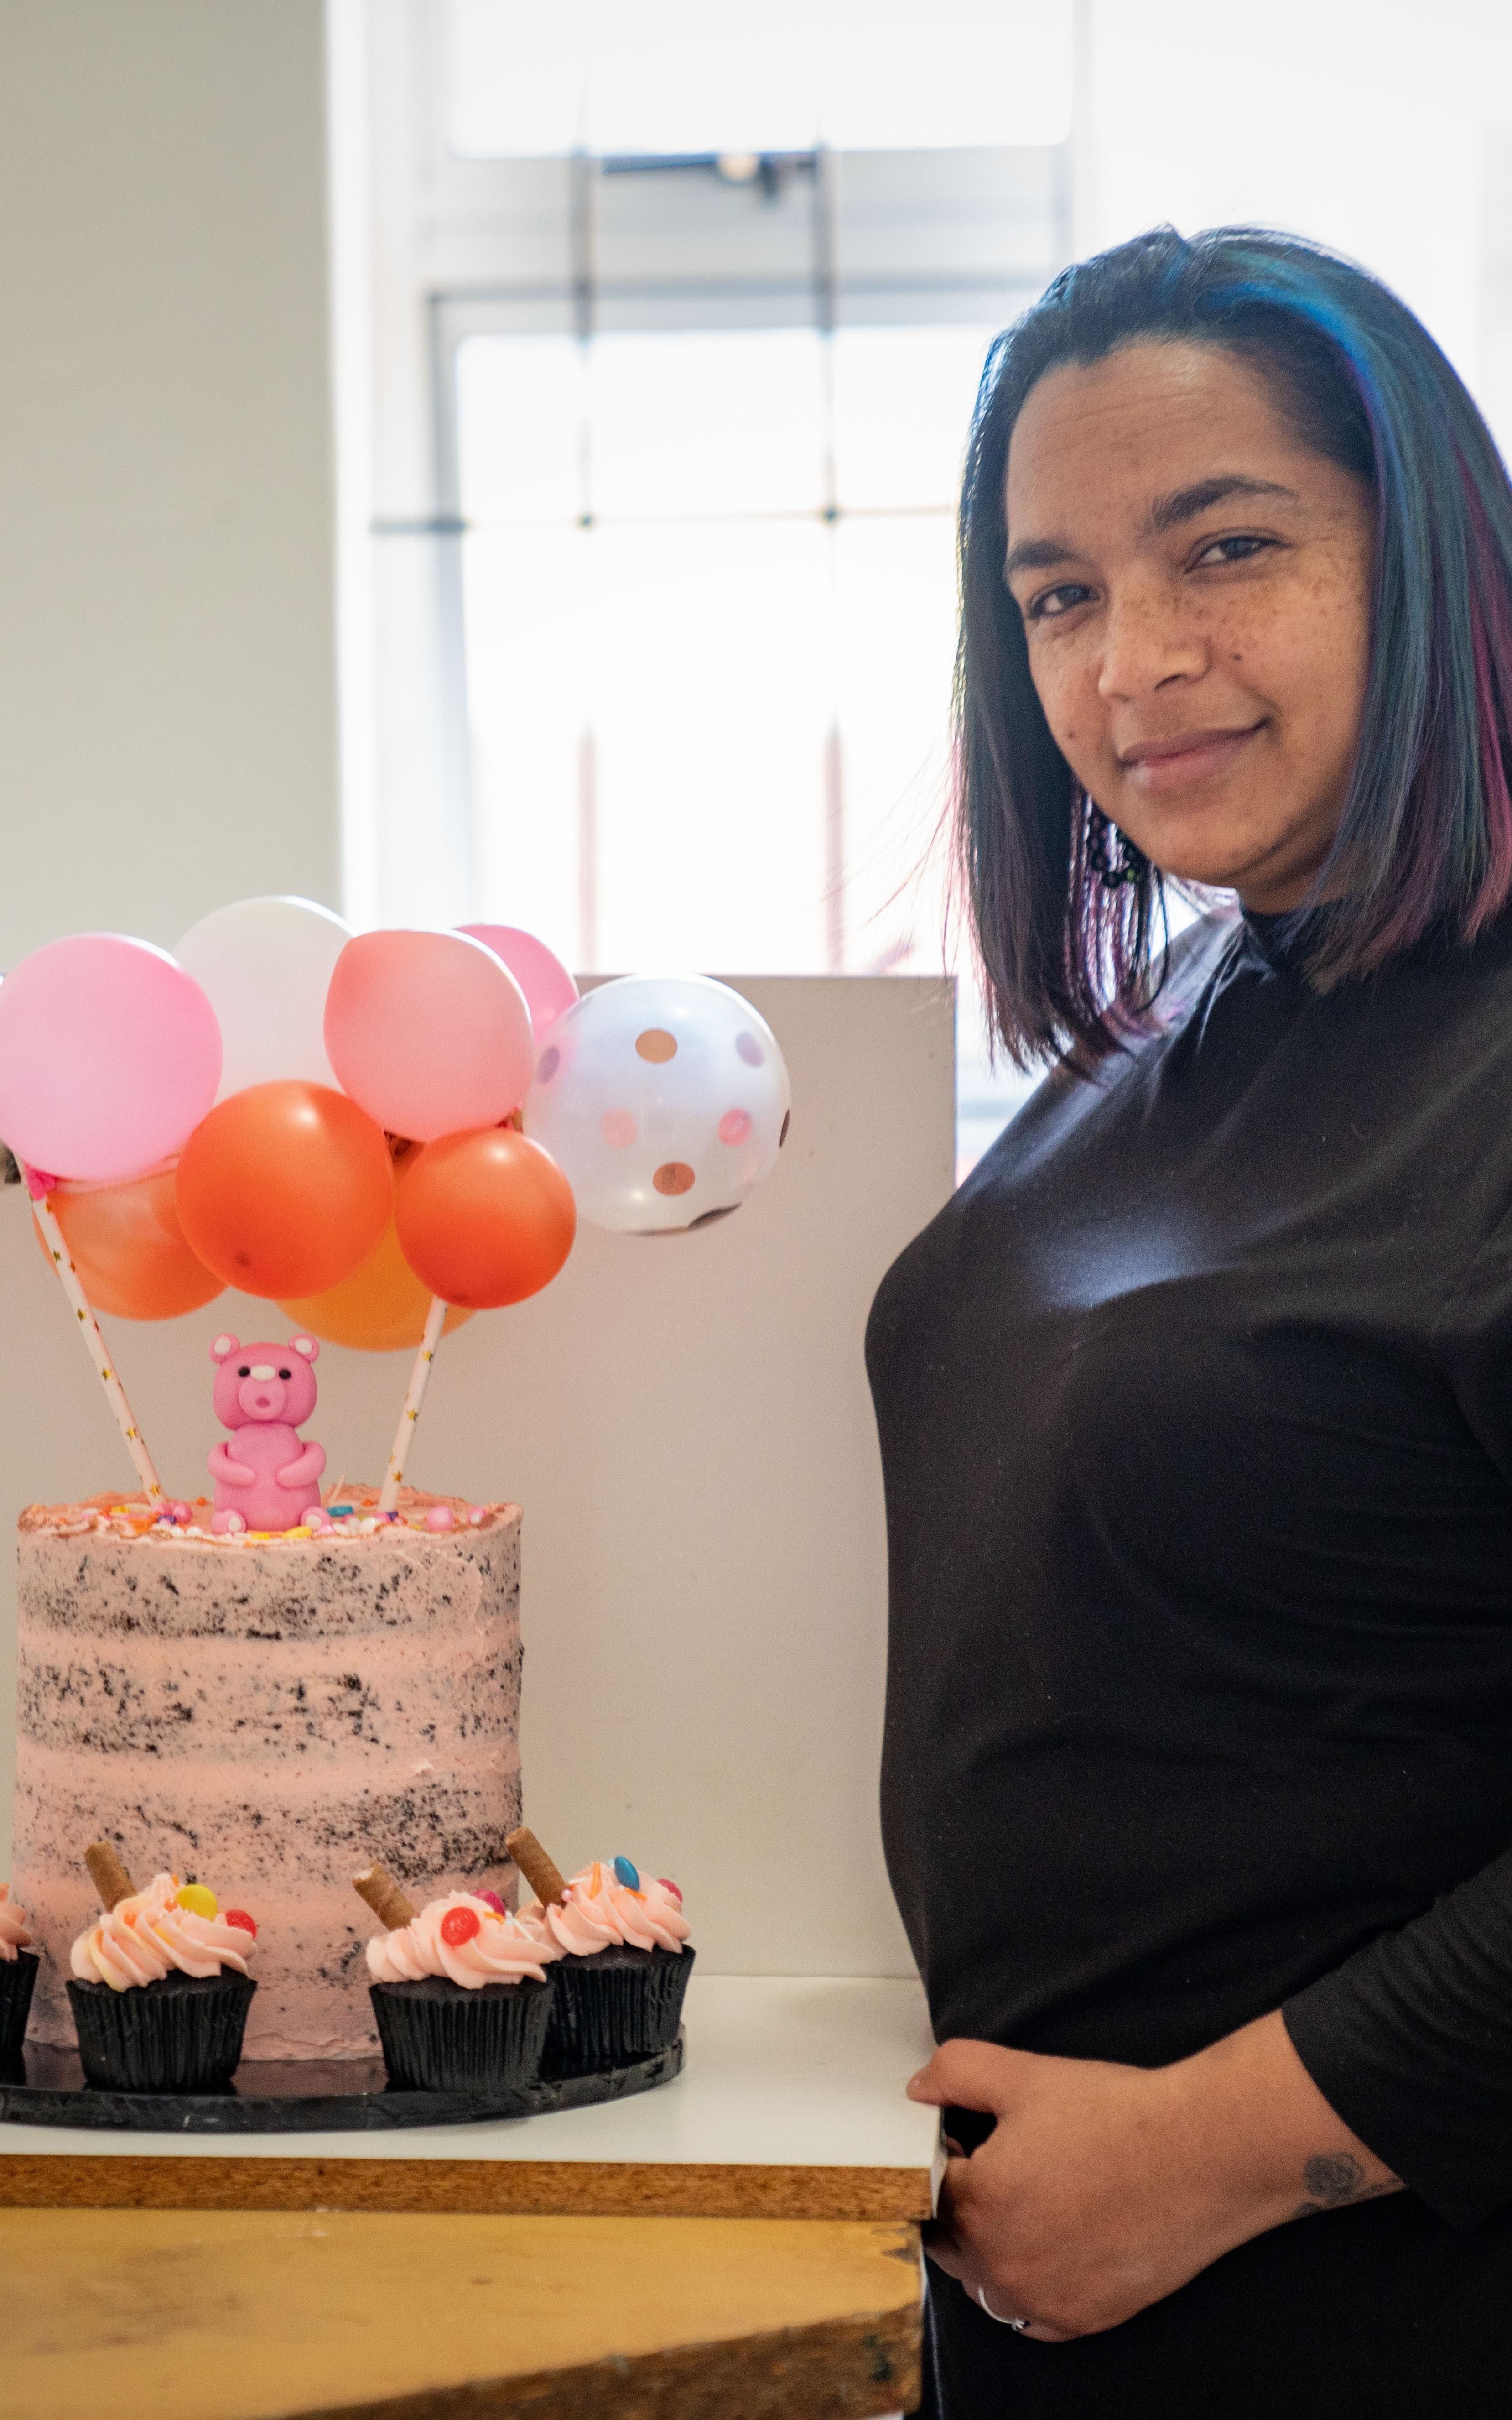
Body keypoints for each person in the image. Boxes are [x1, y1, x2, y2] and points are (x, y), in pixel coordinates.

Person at [866, 226, 1512, 2418]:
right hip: (1073, 2302)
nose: (1132, 664)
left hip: (1380, 2298)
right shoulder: (1203, 1001)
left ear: (1428, 554)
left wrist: (1217, 2156)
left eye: (1223, 549)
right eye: (1056, 595)